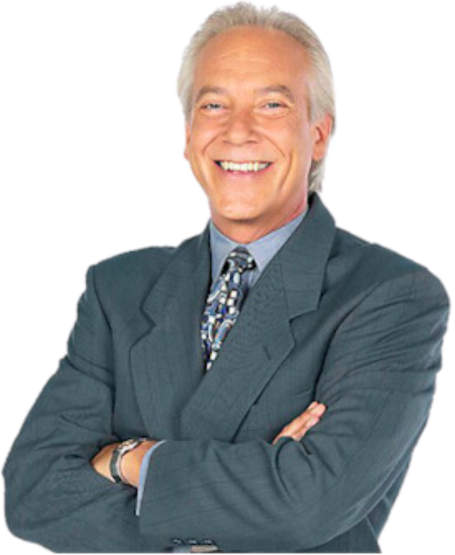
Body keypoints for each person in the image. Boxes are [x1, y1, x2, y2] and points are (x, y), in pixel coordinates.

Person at [1, 1, 451, 553]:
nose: (239, 131)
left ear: (318, 134)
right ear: (188, 135)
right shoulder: (118, 288)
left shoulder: (392, 296)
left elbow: (309, 505)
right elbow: (33, 495)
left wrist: (130, 460)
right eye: (214, 105)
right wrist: (249, 498)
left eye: (271, 104)